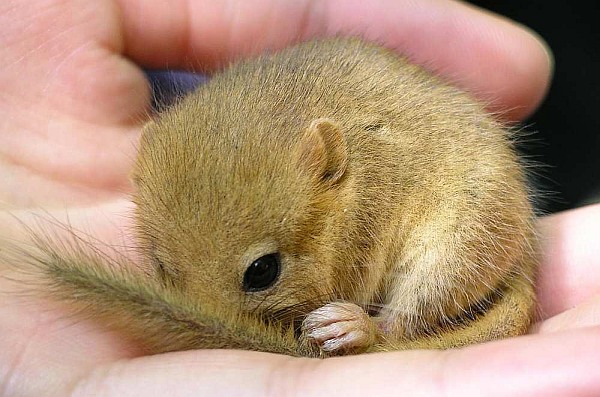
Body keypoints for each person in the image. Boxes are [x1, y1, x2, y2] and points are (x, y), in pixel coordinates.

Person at [1, 1, 598, 395]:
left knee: (462, 220)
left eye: (262, 273)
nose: (209, 315)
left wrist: (379, 329)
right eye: (165, 267)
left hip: (449, 217)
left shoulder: (337, 185)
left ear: (329, 168)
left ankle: (390, 324)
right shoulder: (180, 162)